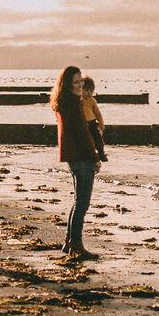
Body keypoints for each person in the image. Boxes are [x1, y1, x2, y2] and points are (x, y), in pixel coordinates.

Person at [51, 64, 106, 260]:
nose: (79, 85)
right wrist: (95, 157)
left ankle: (69, 243)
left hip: (73, 156)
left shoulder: (63, 102)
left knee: (78, 202)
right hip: (81, 156)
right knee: (82, 203)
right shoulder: (73, 104)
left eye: (81, 81)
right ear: (66, 84)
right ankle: (76, 246)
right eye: (75, 82)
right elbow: (82, 135)